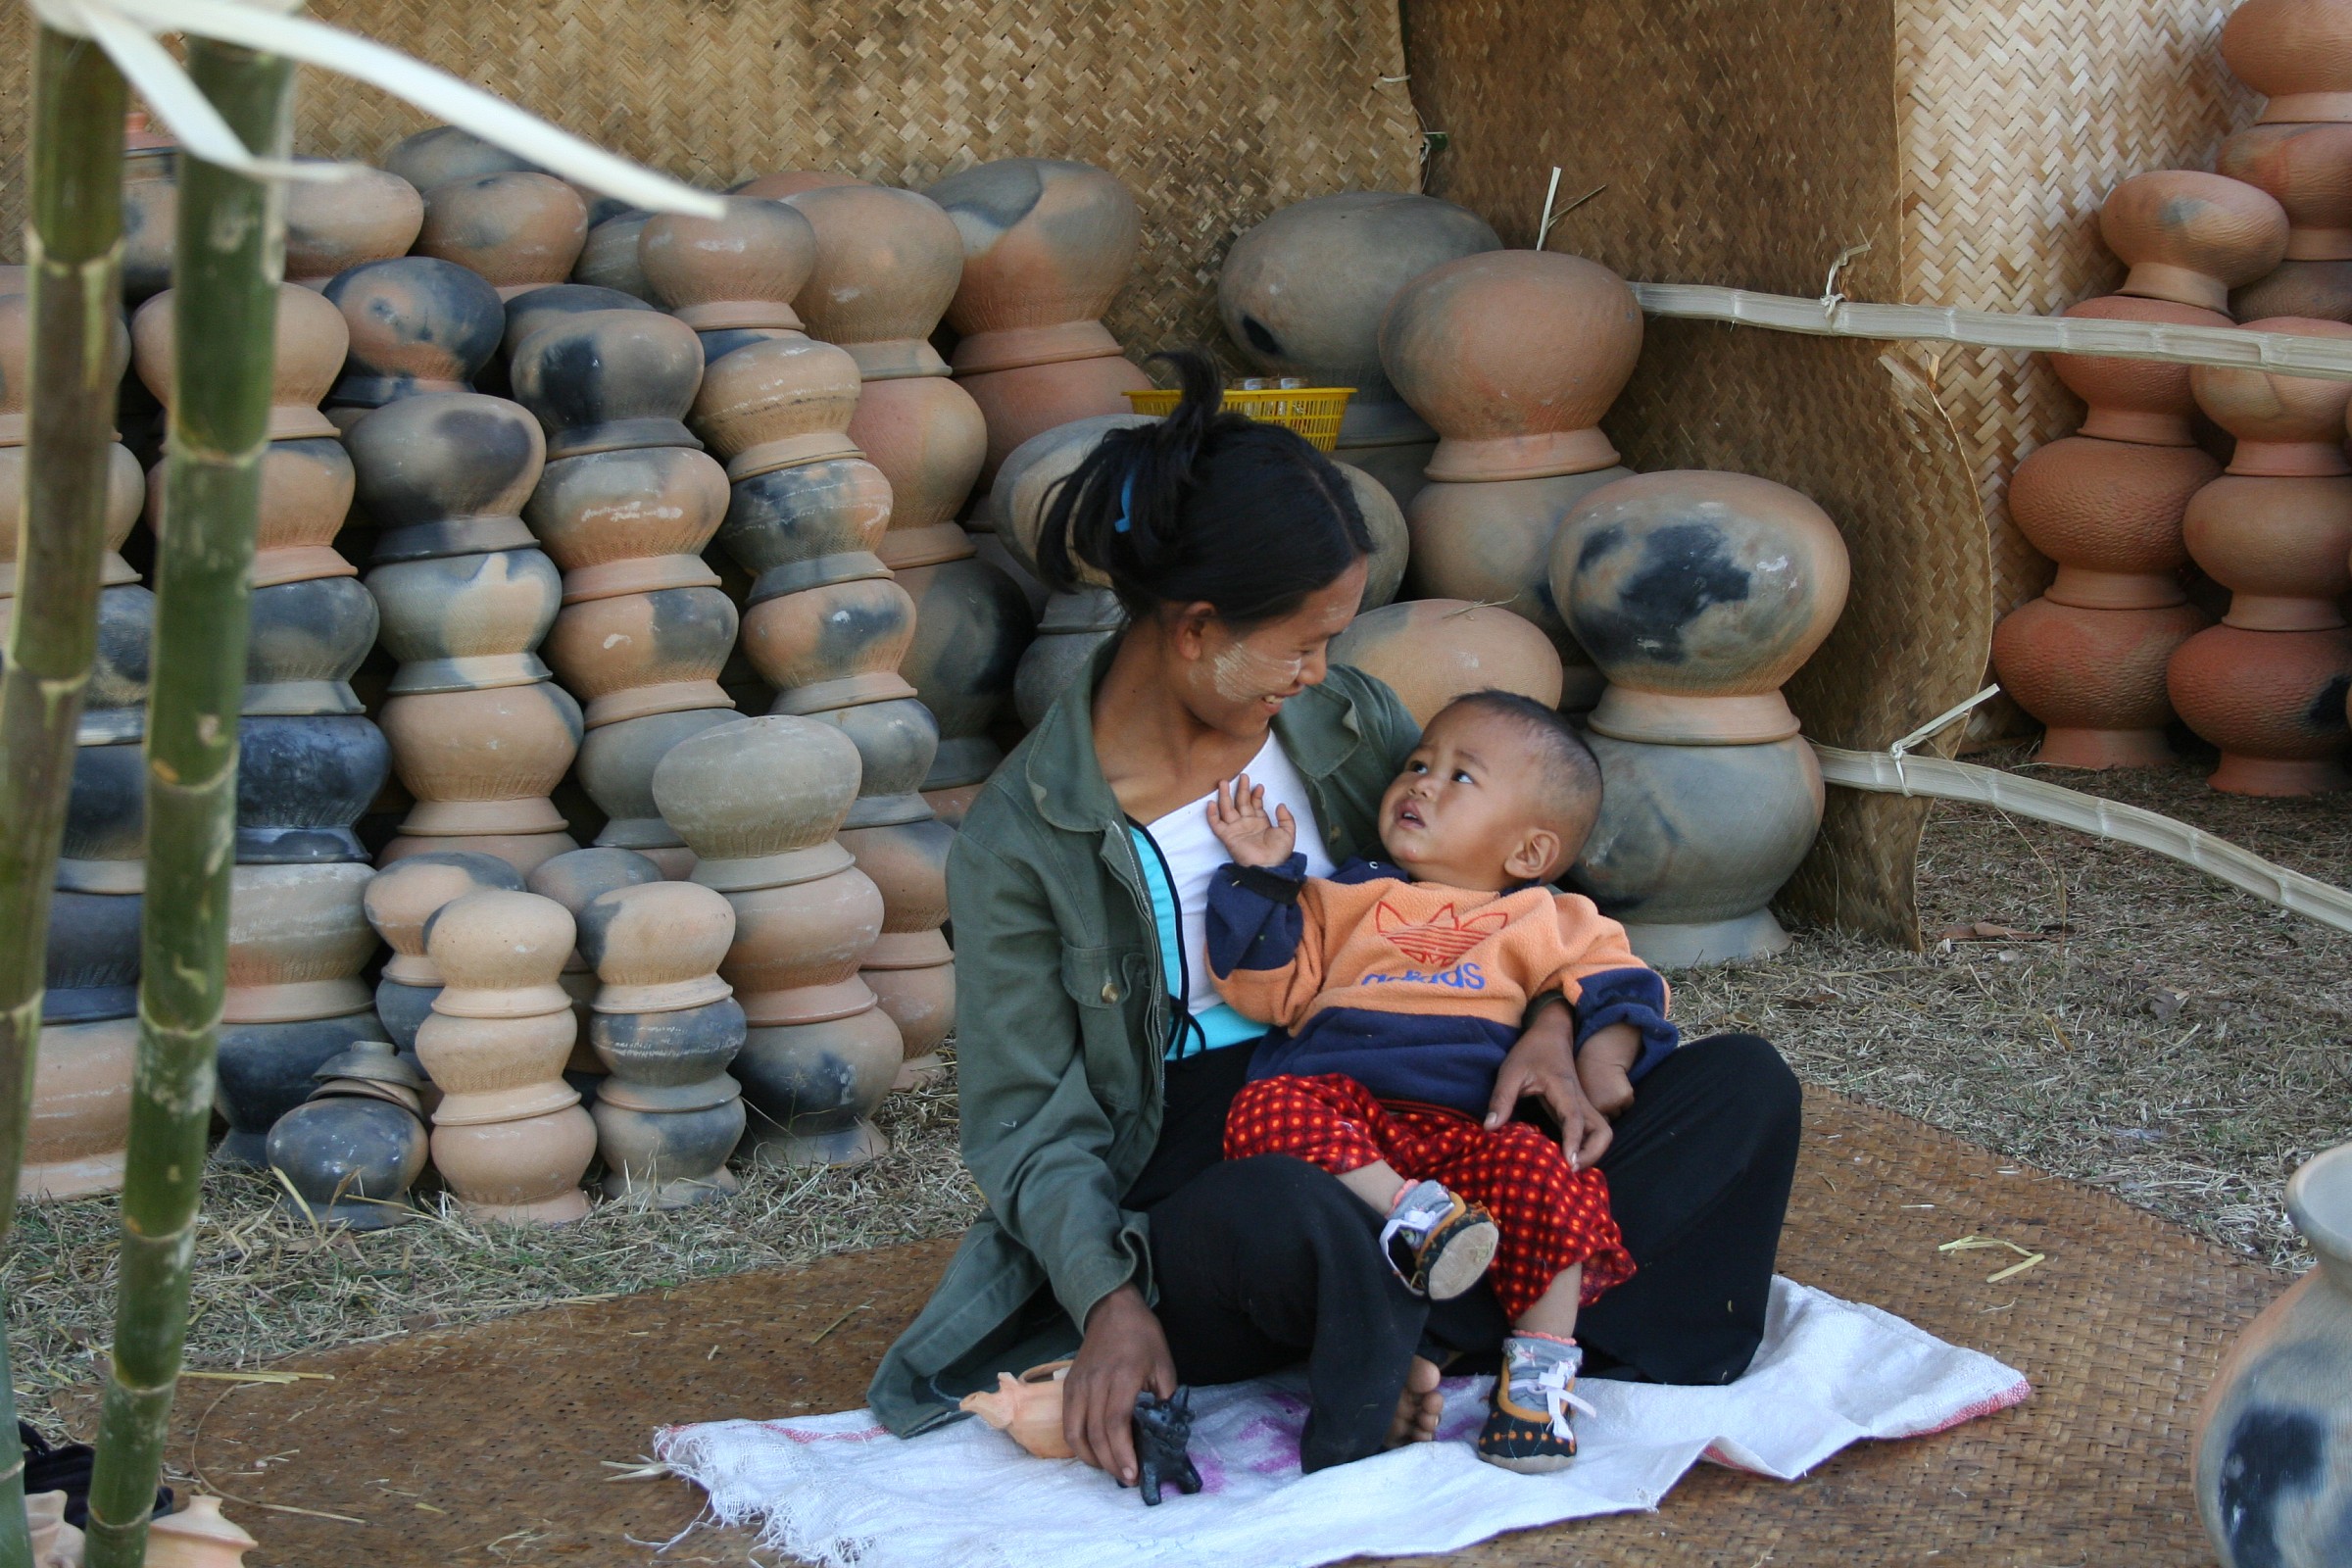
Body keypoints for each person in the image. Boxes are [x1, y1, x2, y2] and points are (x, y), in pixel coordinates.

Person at [867, 349, 1802, 1492]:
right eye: (1304, 641)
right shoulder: (1030, 836)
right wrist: (1110, 1302)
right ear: (1199, 627)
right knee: (1295, 1206)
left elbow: (1496, 909)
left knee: (1743, 1089)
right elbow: (1025, 1125)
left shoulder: (1347, 726)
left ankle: (1441, 1330)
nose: (1322, 672)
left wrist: (1552, 1028)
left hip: (1432, 1106)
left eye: (1335, 639)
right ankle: (1439, 1325)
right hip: (1231, 1169)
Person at [1203, 690, 1671, 1471]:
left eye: (1460, 777)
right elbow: (1265, 989)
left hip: (1469, 1132)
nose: (1419, 782)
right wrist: (1263, 879)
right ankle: (1419, 1220)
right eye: (1419, 763)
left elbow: (1624, 983)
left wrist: (1602, 1065)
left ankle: (1537, 1377)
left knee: (1546, 1174)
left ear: (1529, 854)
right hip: (1351, 1127)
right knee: (1265, 1106)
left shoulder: (1546, 917)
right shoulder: (1339, 898)